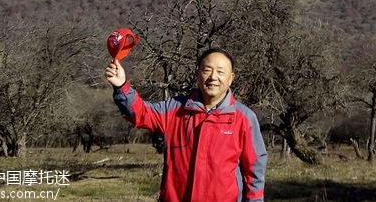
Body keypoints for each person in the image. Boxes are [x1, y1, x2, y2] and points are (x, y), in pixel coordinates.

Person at [105, 47, 267, 202]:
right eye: (207, 70)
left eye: (220, 72)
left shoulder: (244, 118)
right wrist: (121, 86)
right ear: (198, 74)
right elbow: (141, 114)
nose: (213, 77)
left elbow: (254, 172)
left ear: (231, 78)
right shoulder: (175, 110)